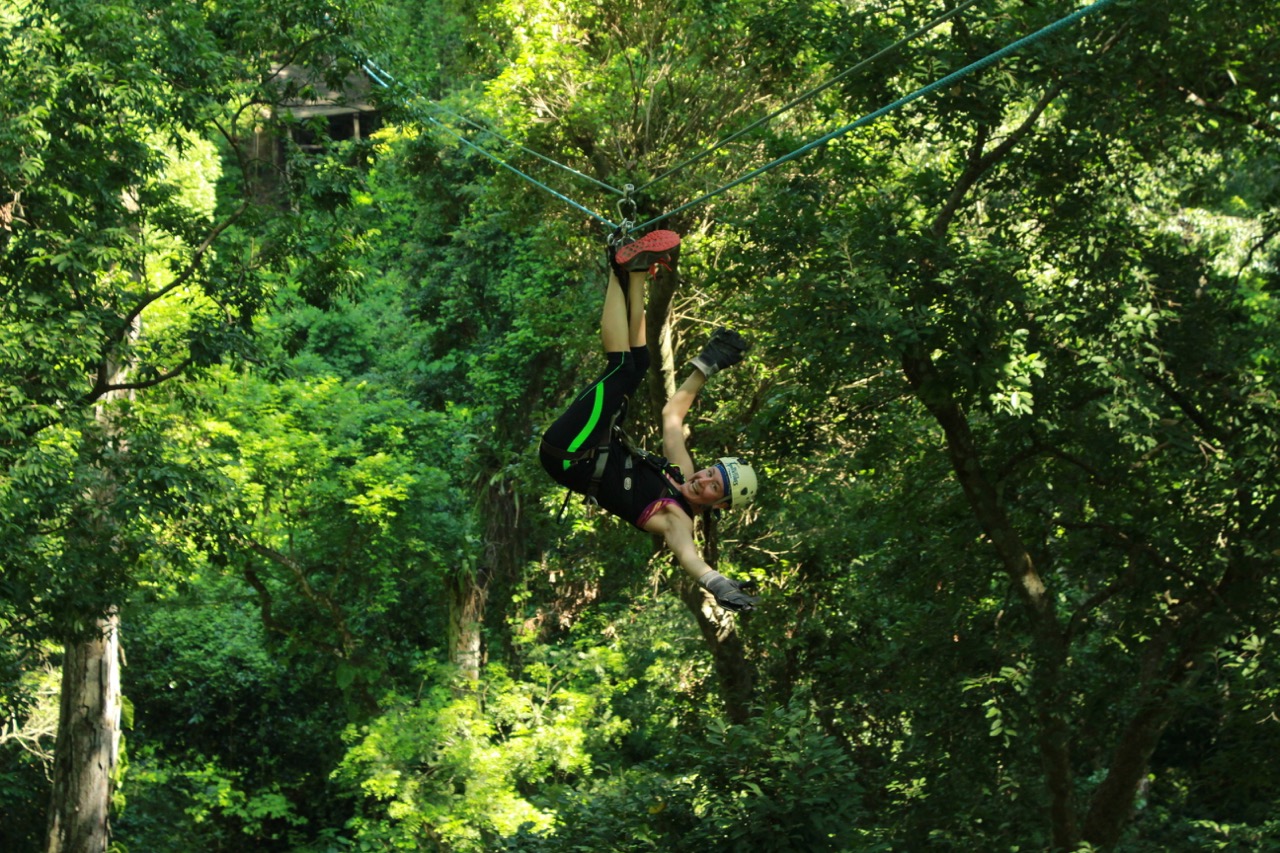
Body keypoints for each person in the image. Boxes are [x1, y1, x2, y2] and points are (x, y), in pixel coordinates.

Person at [539, 229, 760, 612]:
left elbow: (691, 559)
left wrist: (720, 585)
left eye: (712, 487)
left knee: (623, 368)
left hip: (569, 454)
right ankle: (632, 271)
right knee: (635, 363)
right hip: (588, 443)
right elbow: (672, 414)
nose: (703, 478)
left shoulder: (677, 520)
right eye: (711, 471)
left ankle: (622, 268)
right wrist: (705, 368)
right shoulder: (682, 469)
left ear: (719, 506)